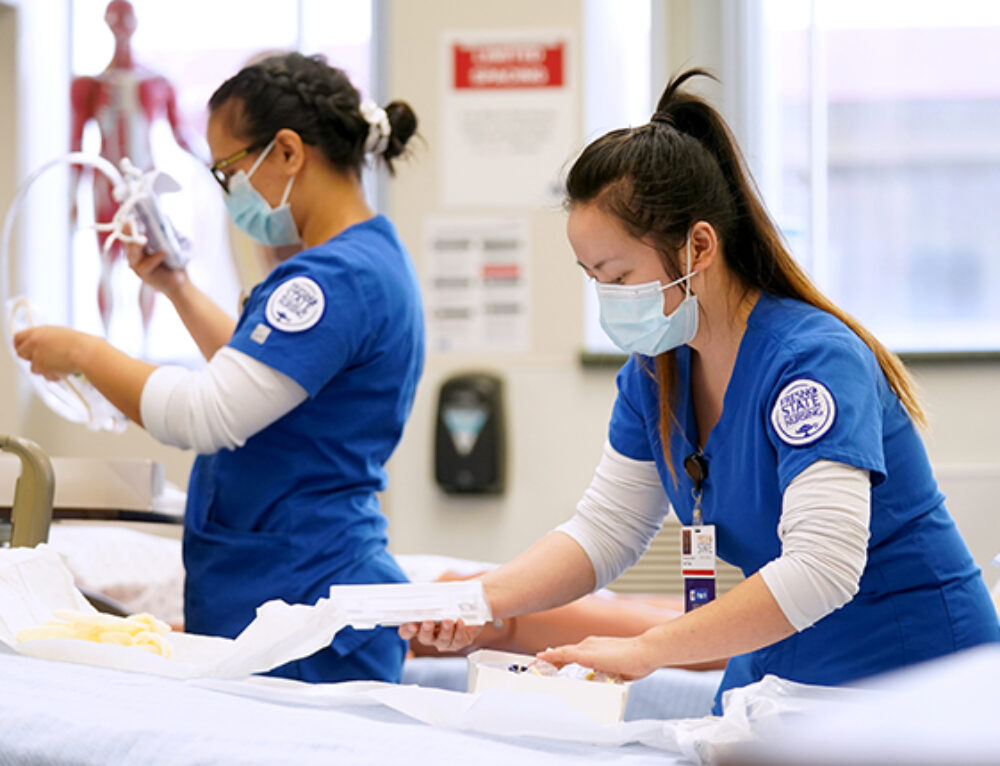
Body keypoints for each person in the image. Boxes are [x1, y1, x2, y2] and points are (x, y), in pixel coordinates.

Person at [402, 69, 1000, 712]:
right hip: (783, 658)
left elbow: (823, 566)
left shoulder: (813, 363)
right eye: (593, 278)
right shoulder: (655, 373)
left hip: (915, 673)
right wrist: (479, 599)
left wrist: (647, 649)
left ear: (700, 247)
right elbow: (605, 531)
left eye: (619, 274)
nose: (609, 299)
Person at [16, 52, 424, 684]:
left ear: (288, 152)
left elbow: (208, 414)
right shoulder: (365, 259)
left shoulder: (334, 278)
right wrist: (176, 286)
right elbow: (264, 380)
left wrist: (84, 354)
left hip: (304, 602)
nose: (228, 192)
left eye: (229, 171)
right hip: (281, 588)